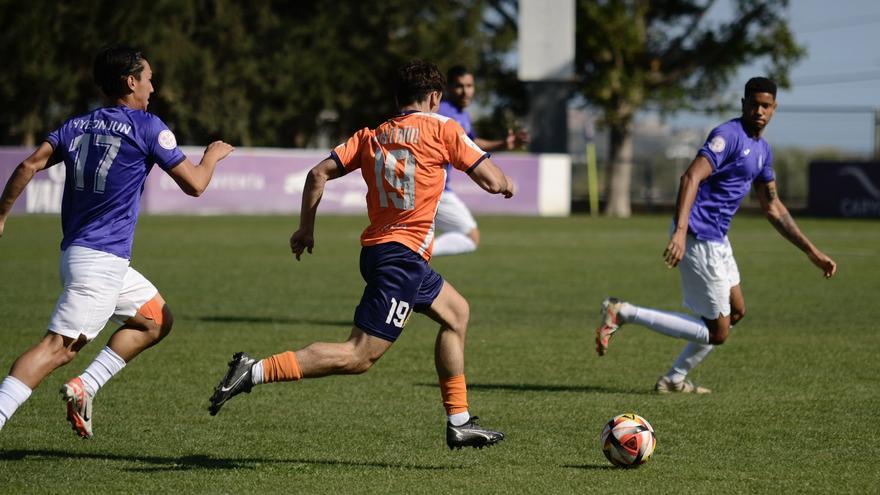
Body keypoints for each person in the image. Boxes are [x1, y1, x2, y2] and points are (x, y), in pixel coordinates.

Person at [208, 60, 515, 450]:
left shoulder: (373, 135)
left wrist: (306, 227)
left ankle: (459, 421)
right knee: (359, 356)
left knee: (457, 314)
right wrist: (507, 184)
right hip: (401, 260)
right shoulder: (444, 128)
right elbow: (491, 181)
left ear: (398, 98)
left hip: (384, 252)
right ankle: (254, 370)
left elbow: (317, 173)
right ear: (436, 97)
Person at [0, 44, 234, 437]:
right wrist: (211, 156)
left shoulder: (76, 125)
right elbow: (195, 185)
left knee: (156, 320)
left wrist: (1, 215)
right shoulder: (148, 127)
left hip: (82, 255)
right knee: (57, 349)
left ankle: (85, 385)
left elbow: (28, 164)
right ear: (131, 82)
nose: (153, 87)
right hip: (101, 264)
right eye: (148, 78)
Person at [594, 77, 837, 393]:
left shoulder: (763, 151)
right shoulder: (728, 136)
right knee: (718, 332)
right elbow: (690, 177)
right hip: (697, 235)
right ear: (743, 104)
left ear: (774, 108)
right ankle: (623, 312)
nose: (759, 110)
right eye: (753, 104)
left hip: (718, 239)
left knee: (736, 312)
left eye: (765, 105)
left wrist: (812, 252)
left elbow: (773, 207)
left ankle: (673, 380)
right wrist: (680, 233)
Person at [432, 65, 528, 256]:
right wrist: (499, 179)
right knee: (470, 236)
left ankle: (412, 255)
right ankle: (414, 254)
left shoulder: (461, 114)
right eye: (459, 86)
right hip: (436, 188)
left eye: (469, 85)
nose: (465, 91)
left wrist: (503, 143)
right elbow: (468, 149)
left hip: (435, 186)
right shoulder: (445, 112)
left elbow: (471, 143)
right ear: (449, 88)